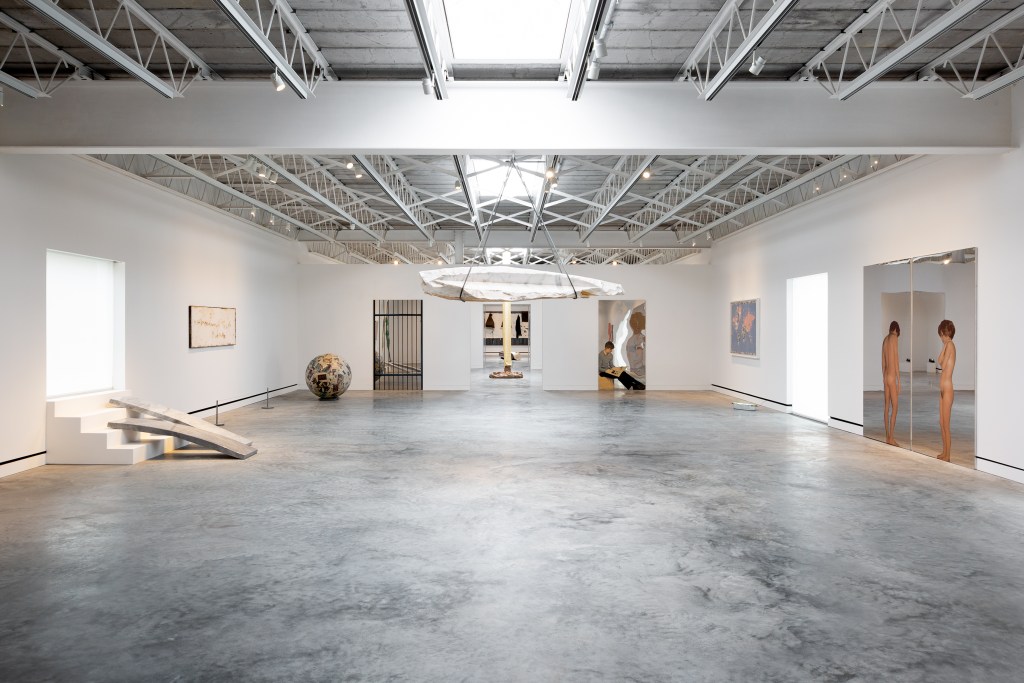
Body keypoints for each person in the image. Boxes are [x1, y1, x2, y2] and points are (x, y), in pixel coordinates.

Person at [936, 319, 957, 462]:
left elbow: (942, 365)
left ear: (944, 333)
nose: (940, 338)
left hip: (948, 390)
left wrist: (944, 345)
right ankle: (944, 452)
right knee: (941, 422)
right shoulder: (947, 345)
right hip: (943, 390)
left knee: (946, 424)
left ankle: (948, 455)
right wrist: (944, 346)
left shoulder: (950, 345)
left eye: (941, 335)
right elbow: (939, 360)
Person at [881, 320, 902, 446]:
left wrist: (883, 376)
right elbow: (896, 359)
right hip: (892, 377)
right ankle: (891, 438)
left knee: (886, 407)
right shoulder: (894, 338)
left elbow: (883, 361)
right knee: (895, 407)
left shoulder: (885, 340)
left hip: (886, 376)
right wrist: (899, 380)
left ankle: (887, 436)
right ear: (897, 330)